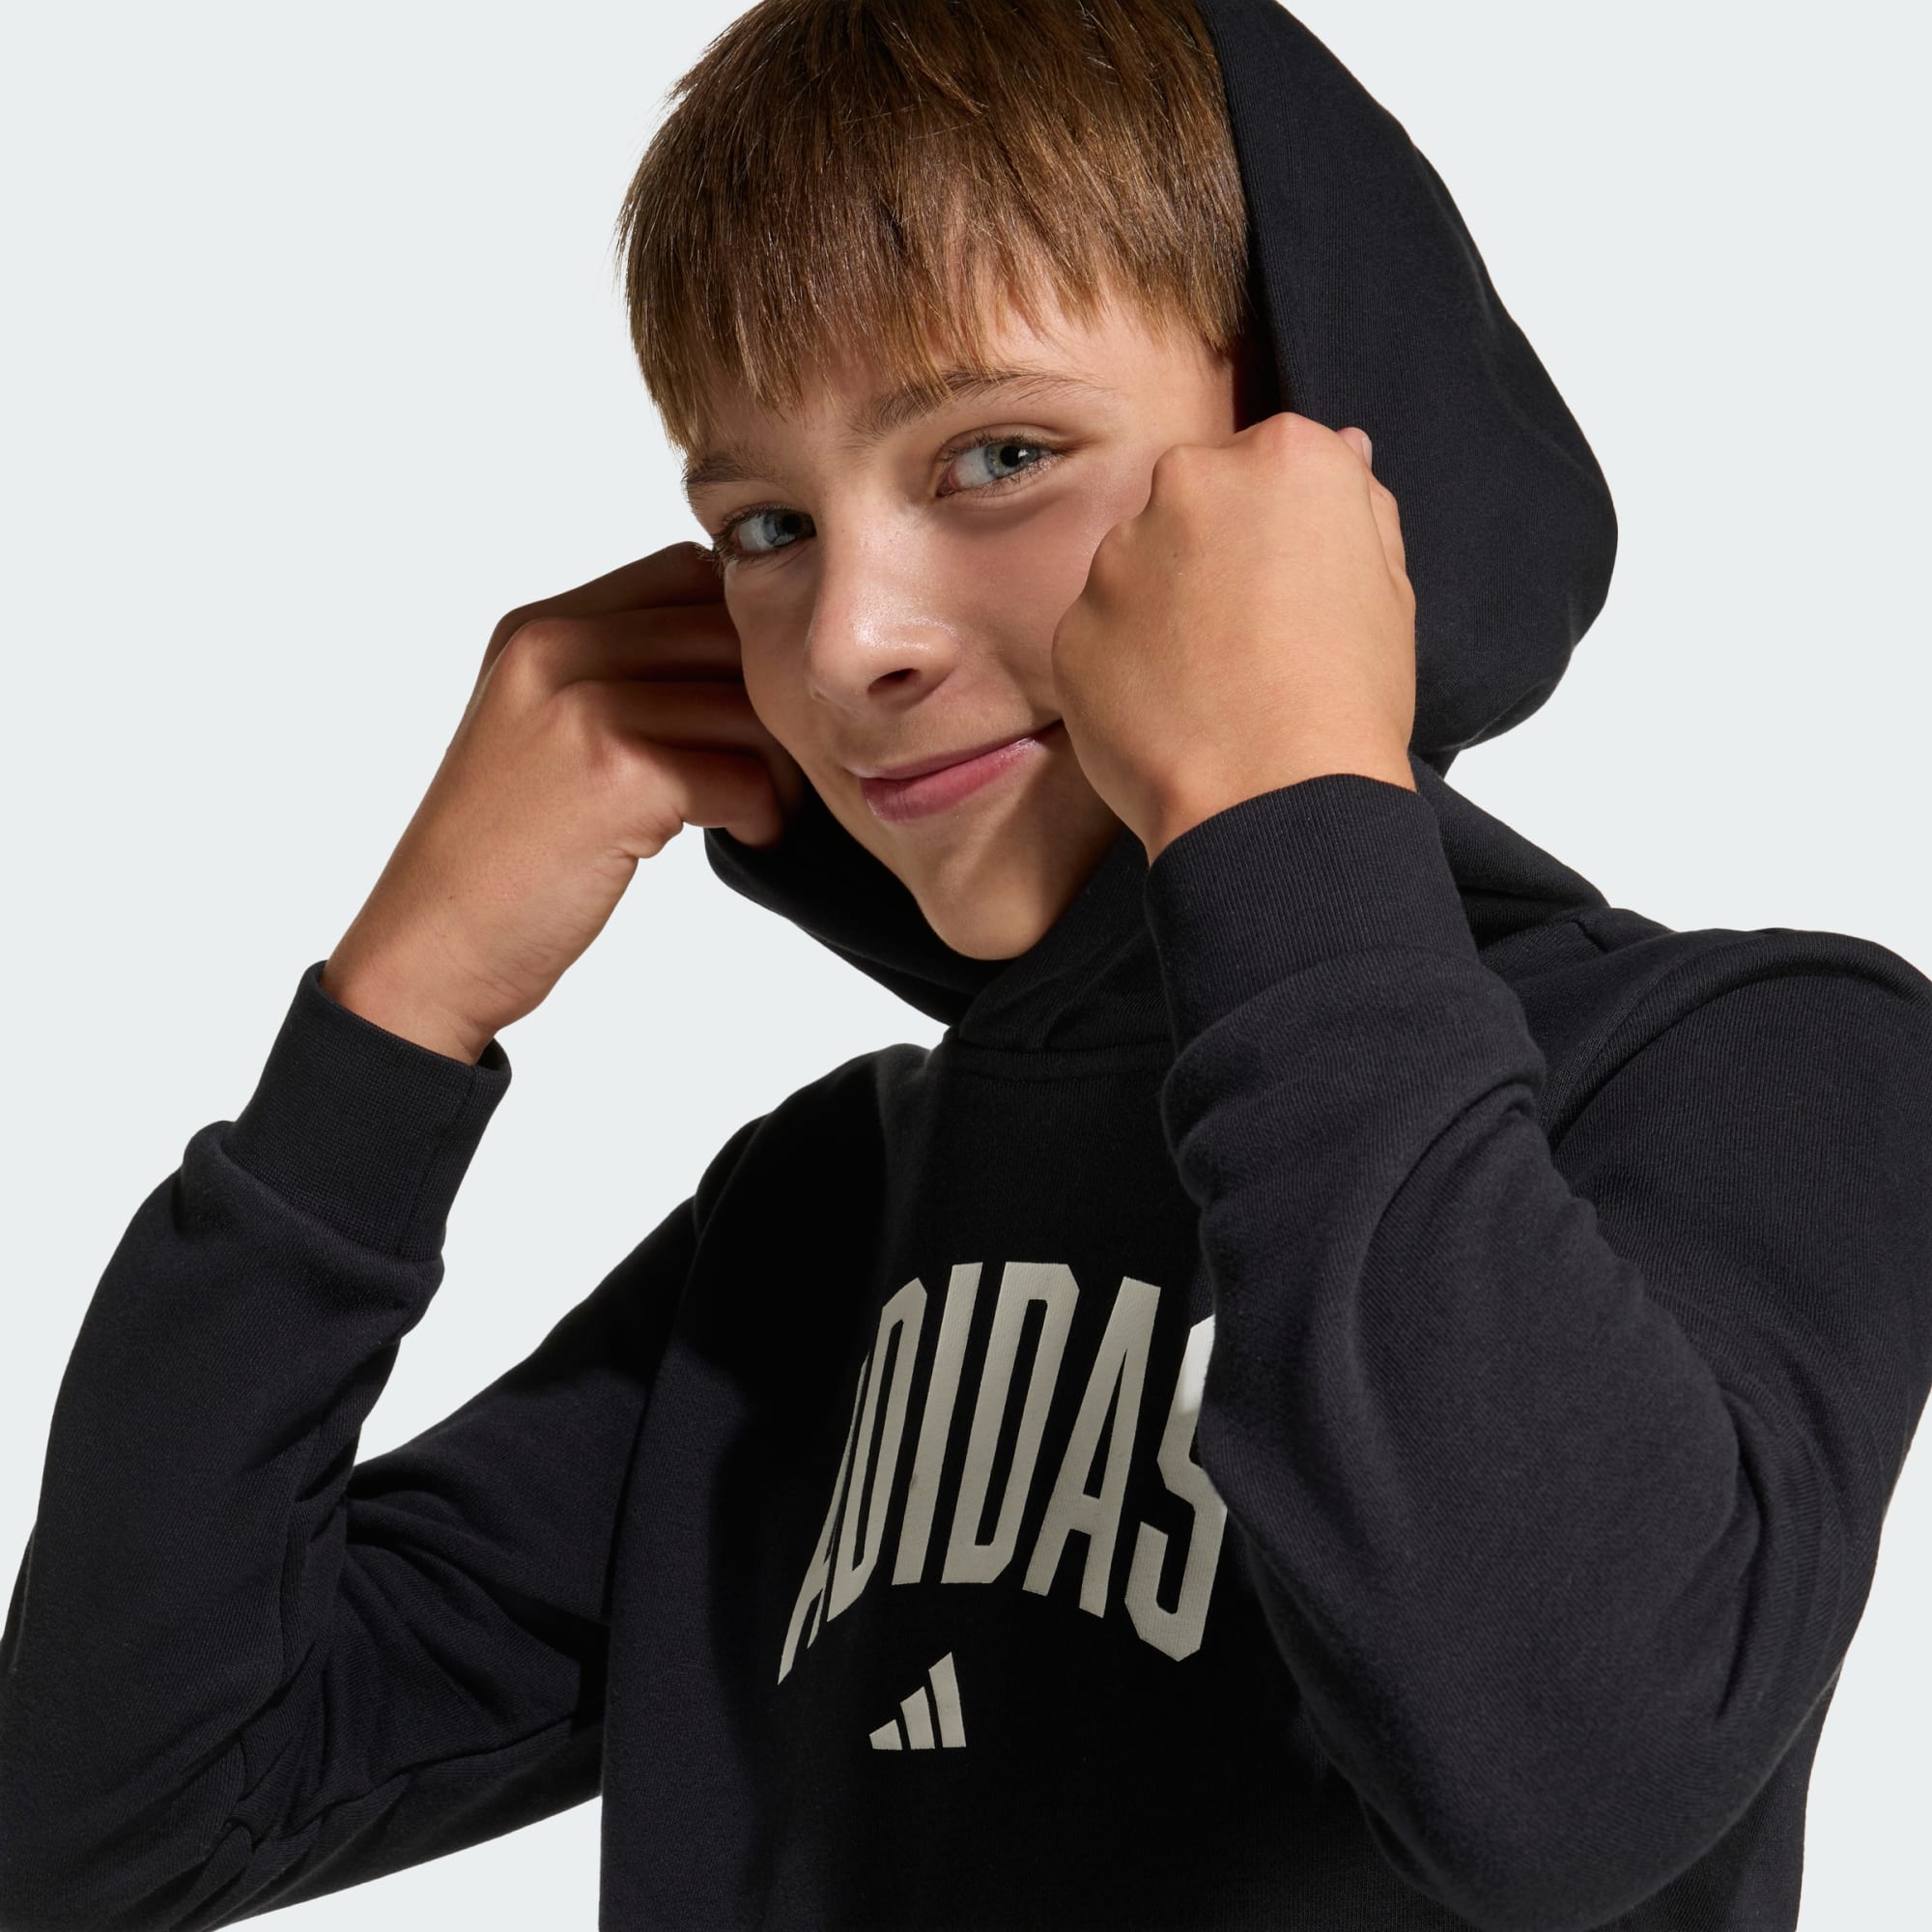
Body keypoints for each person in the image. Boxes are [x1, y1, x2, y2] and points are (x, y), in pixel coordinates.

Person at [3, 1, 1929, 1926]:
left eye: (998, 453)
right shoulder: (816, 1218)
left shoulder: (1755, 1065)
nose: (848, 639)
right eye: (766, 523)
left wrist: (1286, 798)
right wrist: (399, 1014)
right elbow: (102, 1827)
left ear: (1317, 466)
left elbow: (1565, 1780)